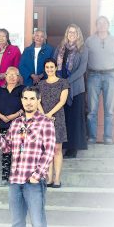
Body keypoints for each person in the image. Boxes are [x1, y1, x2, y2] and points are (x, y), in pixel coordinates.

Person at [0, 86, 55, 227]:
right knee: (17, 223)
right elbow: (7, 149)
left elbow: (50, 150)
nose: (28, 102)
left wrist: (38, 174)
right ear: (21, 100)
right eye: (25, 98)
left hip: (33, 182)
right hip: (15, 181)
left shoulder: (45, 123)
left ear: (38, 100)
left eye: (32, 99)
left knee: (37, 224)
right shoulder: (16, 123)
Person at [85, 16, 114, 145]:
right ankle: (92, 137)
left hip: (110, 76)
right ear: (96, 25)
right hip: (93, 76)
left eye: (104, 23)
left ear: (108, 25)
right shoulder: (89, 41)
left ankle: (108, 137)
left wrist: (111, 70)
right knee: (92, 110)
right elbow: (85, 59)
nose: (102, 25)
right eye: (99, 23)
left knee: (109, 109)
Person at [55, 24, 88, 158]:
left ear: (78, 34)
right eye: (69, 32)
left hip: (76, 88)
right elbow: (53, 65)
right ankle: (63, 145)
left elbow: (82, 69)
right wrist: (59, 81)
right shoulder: (60, 48)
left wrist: (67, 81)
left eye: (74, 32)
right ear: (66, 34)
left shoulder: (83, 49)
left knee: (75, 118)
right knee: (64, 119)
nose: (71, 34)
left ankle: (73, 147)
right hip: (61, 88)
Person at [37, 58, 69, 188]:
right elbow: (37, 101)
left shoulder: (63, 83)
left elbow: (62, 101)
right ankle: (48, 178)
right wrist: (44, 115)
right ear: (44, 69)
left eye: (52, 67)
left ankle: (57, 179)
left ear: (56, 68)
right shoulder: (40, 84)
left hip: (58, 118)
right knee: (47, 149)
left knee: (57, 148)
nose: (49, 69)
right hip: (44, 118)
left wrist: (50, 114)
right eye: (47, 67)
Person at [0, 67, 24, 187]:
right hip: (3, 125)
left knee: (19, 152)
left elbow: (26, 107)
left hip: (19, 126)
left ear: (18, 77)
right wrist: (3, 117)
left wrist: (13, 116)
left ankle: (18, 178)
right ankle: (5, 178)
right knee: (6, 152)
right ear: (5, 76)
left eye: (14, 75)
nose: (11, 77)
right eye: (9, 74)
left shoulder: (23, 89)